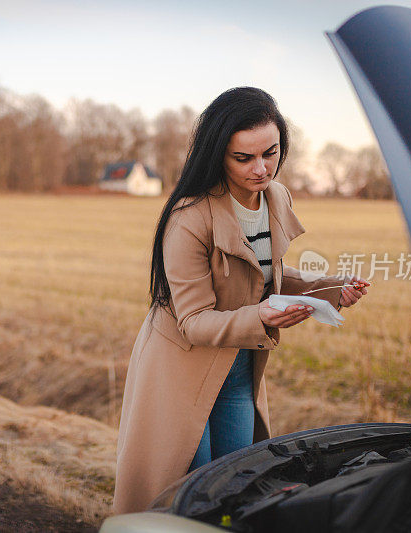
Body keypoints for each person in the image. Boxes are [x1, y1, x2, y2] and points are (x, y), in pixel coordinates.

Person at [112, 87, 368, 515]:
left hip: (239, 370)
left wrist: (330, 289)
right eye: (243, 158)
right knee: (185, 495)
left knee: (234, 488)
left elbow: (267, 278)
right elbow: (193, 320)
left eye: (270, 152)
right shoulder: (190, 216)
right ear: (219, 154)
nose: (261, 168)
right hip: (182, 370)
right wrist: (263, 315)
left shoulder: (277, 196)